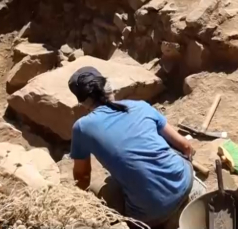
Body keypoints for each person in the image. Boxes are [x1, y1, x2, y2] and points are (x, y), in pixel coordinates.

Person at [69, 67, 205, 229]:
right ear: (108, 86)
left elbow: (82, 176)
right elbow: (185, 146)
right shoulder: (140, 106)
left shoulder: (82, 127)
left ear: (82, 102)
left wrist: (79, 203)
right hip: (186, 183)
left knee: (104, 189)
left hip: (150, 214)